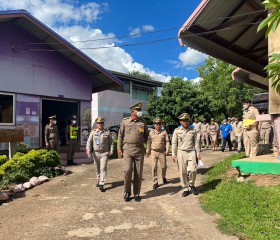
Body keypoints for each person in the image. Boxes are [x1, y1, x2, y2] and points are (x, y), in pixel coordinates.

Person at [117, 102, 149, 202]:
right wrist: (119, 148)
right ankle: (127, 191)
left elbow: (147, 136)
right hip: (128, 149)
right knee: (127, 170)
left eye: (140, 110)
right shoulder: (125, 121)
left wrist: (147, 147)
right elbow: (120, 135)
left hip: (139, 150)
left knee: (138, 173)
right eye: (138, 110)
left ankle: (136, 193)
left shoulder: (143, 122)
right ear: (133, 111)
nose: (140, 112)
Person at [172, 113, 200, 197]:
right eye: (183, 121)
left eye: (187, 120)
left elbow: (196, 143)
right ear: (180, 122)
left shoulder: (193, 130)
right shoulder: (177, 131)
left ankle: (191, 184)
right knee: (183, 171)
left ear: (189, 121)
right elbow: (174, 143)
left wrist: (198, 154)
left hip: (191, 152)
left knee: (193, 170)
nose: (185, 122)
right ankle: (185, 188)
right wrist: (173, 154)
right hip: (181, 152)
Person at [86, 117, 114, 192]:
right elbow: (89, 142)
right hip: (96, 153)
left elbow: (111, 142)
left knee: (103, 168)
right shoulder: (93, 132)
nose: (100, 124)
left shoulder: (107, 132)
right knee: (97, 168)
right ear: (96, 124)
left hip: (104, 153)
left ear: (103, 124)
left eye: (101, 123)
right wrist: (88, 149)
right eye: (98, 123)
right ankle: (99, 180)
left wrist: (111, 150)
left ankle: (102, 183)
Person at [146, 117, 170, 190]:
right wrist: (148, 149)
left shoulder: (164, 132)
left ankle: (163, 176)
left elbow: (167, 141)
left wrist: (167, 149)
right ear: (154, 125)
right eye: (157, 124)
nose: (158, 125)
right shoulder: (151, 132)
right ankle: (155, 182)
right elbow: (149, 141)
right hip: (153, 152)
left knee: (164, 167)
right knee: (154, 167)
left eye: (160, 124)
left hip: (161, 152)